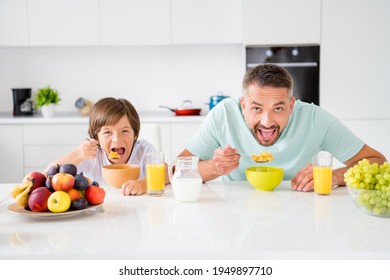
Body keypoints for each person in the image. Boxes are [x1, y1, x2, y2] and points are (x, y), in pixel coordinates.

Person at [178, 64, 387, 191]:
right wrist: (214, 167)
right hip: (235, 217)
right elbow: (177, 170)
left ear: (292, 105)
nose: (267, 122)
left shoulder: (315, 119)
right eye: (257, 108)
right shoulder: (223, 115)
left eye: (278, 108)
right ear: (243, 105)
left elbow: (378, 162)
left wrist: (335, 176)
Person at [45, 97, 168, 195]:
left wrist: (144, 183)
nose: (116, 139)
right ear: (96, 137)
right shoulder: (91, 156)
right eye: (107, 132)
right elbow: (46, 176)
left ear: (135, 133)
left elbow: (167, 172)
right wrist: (77, 155)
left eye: (124, 131)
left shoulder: (143, 150)